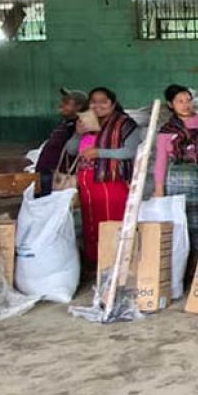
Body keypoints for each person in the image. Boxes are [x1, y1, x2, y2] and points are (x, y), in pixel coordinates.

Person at [65, 87, 141, 266]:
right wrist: (78, 133)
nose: (98, 105)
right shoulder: (86, 124)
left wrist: (99, 152)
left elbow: (130, 152)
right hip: (88, 184)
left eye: (103, 101)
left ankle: (115, 263)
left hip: (112, 182)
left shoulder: (125, 124)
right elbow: (71, 150)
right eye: (94, 102)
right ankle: (96, 263)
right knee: (92, 224)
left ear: (112, 104)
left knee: (112, 221)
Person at [153, 84, 198, 260]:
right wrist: (159, 188)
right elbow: (161, 161)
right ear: (170, 104)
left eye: (188, 100)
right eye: (180, 101)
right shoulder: (167, 130)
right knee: (180, 221)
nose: (186, 105)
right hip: (176, 181)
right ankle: (182, 264)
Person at [34, 88, 87, 197]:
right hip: (46, 174)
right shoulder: (65, 124)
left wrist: (78, 134)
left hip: (57, 178)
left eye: (67, 103)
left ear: (78, 107)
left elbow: (73, 150)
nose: (61, 105)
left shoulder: (79, 126)